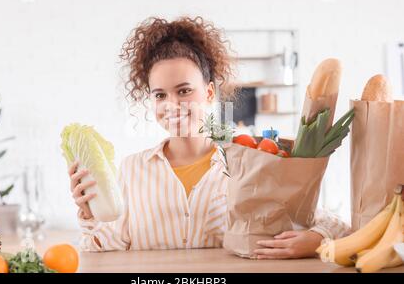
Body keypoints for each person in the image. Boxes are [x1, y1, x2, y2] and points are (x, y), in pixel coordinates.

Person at [68, 16, 351, 259]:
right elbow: (103, 249)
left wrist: (315, 240)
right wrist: (88, 213)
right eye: (160, 95)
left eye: (184, 91)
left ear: (210, 93)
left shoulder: (249, 164)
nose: (172, 105)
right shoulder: (132, 170)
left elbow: (334, 225)